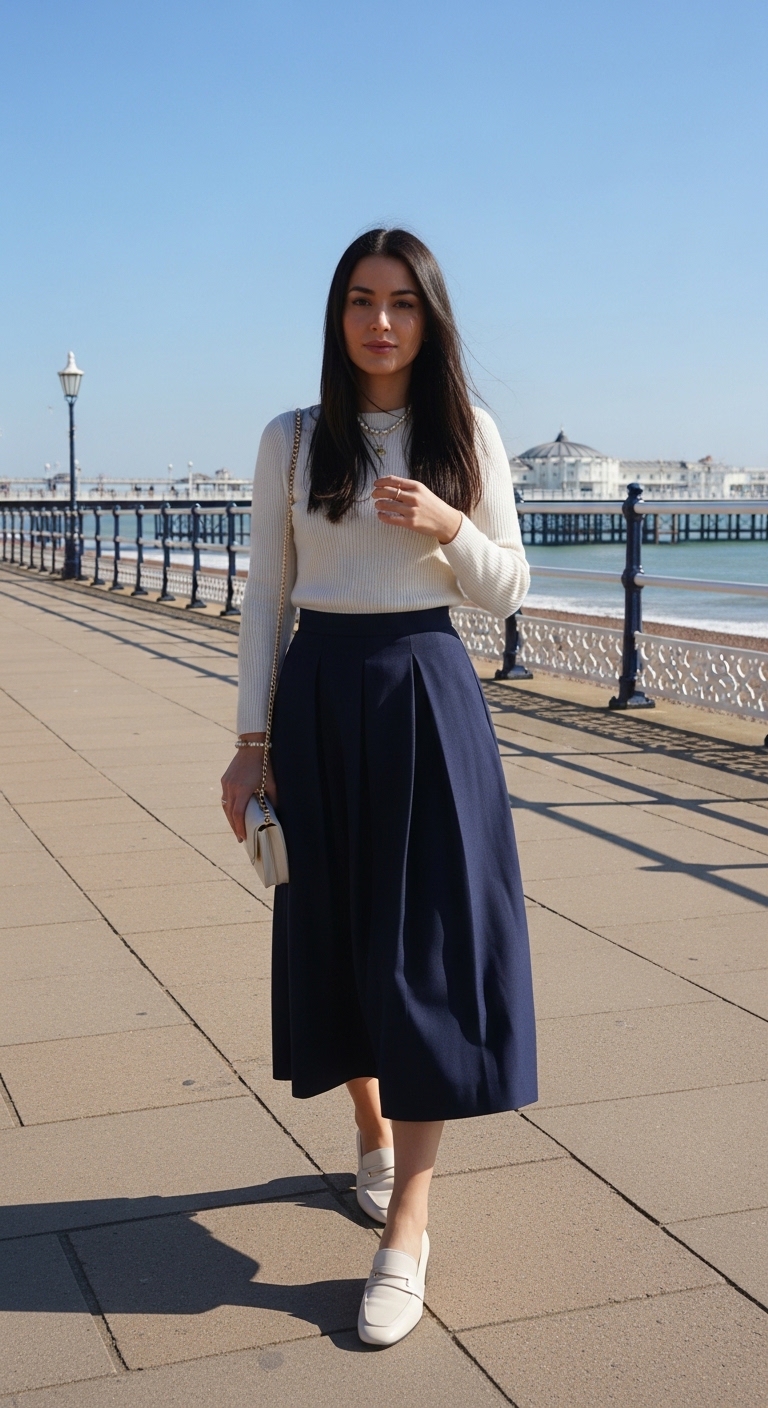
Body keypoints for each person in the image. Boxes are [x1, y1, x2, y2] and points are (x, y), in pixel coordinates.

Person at [221, 227, 537, 1348]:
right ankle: (371, 1131)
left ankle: (409, 1217)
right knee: (337, 936)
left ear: (430, 317)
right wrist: (249, 744)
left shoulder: (468, 433)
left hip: (426, 690)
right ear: (337, 314)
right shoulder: (296, 437)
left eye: (403, 302)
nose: (382, 322)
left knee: (425, 954)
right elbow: (268, 594)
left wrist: (450, 525)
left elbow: (508, 591)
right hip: (317, 695)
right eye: (361, 299)